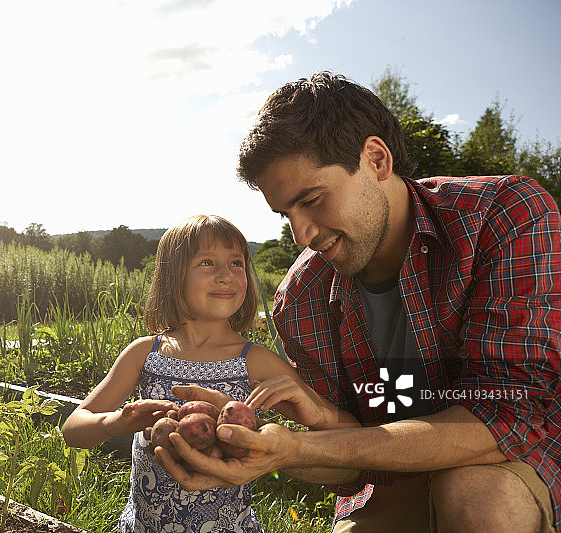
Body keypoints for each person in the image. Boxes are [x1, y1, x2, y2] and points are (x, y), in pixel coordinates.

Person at [154, 72, 561, 533]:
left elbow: (510, 417)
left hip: (510, 465)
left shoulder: (501, 215)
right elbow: (351, 465)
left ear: (375, 159)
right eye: (287, 214)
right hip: (389, 486)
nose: (302, 234)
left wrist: (304, 448)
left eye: (312, 199)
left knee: (474, 499)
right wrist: (263, 449)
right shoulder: (301, 298)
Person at [62, 214, 359, 532]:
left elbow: (350, 434)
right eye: (207, 262)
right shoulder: (144, 353)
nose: (226, 275)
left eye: (236, 263)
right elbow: (73, 429)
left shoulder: (255, 361)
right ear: (172, 276)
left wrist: (310, 408)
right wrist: (115, 422)